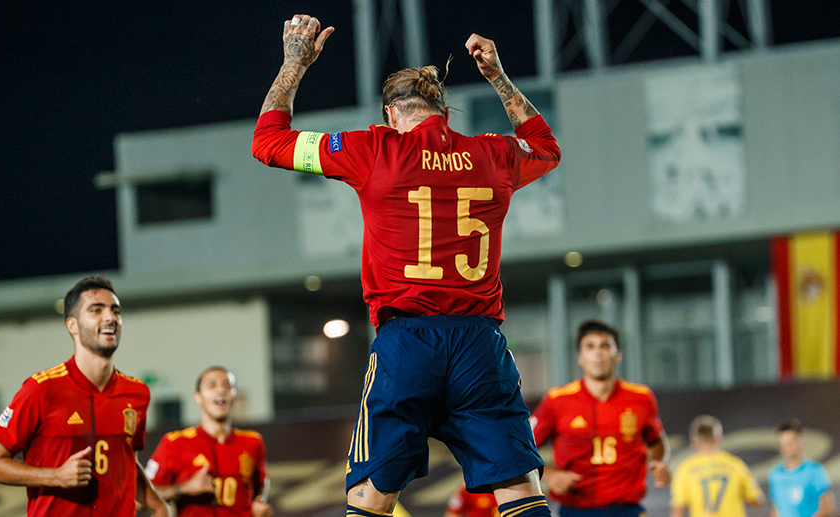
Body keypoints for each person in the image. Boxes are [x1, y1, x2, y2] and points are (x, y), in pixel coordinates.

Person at [251, 13, 561, 517]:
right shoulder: (492, 154)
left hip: (406, 344)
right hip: (479, 345)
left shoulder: (373, 148)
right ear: (445, 112)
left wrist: (293, 64)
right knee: (520, 490)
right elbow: (547, 148)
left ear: (391, 114)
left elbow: (266, 142)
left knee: (372, 496)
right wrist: (499, 78)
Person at [0, 274, 169, 516]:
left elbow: (128, 462)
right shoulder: (41, 389)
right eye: (96, 310)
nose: (110, 317)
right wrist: (55, 476)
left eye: (115, 311)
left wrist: (158, 504)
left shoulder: (137, 393)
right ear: (72, 325)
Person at [530, 319, 670, 517]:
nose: (597, 352)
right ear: (580, 357)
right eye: (590, 346)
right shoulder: (557, 400)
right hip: (575, 510)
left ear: (618, 355)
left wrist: (659, 462)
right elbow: (522, 447)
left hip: (627, 509)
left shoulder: (642, 398)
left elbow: (657, 442)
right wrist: (551, 475)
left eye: (605, 346)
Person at [145, 366, 272, 517]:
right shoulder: (176, 442)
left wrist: (258, 502)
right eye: (211, 385)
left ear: (235, 395)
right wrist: (183, 489)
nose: (220, 390)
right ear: (198, 397)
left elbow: (261, 482)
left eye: (227, 386)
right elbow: (142, 498)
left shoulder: (252, 442)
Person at [670, 415, 763, 517]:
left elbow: (678, 509)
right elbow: (757, 501)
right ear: (719, 438)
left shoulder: (685, 468)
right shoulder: (736, 464)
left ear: (693, 441)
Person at [768, 418, 835, 517]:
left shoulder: (814, 470)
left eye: (790, 442)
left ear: (800, 441)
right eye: (784, 443)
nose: (787, 446)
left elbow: (827, 506)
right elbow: (777, 508)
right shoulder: (775, 475)